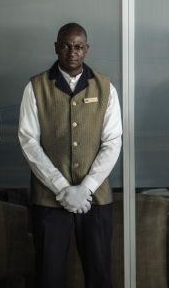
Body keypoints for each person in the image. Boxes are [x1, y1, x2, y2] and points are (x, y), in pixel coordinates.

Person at [18, 23, 122, 288]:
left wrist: (85, 187)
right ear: (56, 48)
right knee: (48, 275)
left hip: (95, 198)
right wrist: (62, 187)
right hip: (49, 199)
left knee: (99, 274)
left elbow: (112, 142)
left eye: (78, 46)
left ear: (86, 49)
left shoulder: (105, 87)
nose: (72, 52)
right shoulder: (36, 86)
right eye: (65, 45)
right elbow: (29, 141)